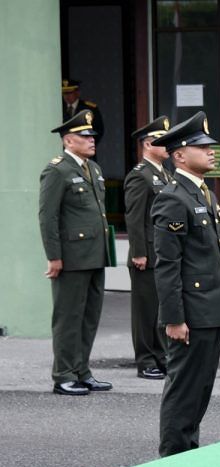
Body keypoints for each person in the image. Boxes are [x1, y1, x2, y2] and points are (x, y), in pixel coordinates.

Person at [150, 111, 220, 457]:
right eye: (202, 146)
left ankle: (188, 451)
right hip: (191, 313)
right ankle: (172, 457)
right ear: (180, 155)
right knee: (184, 388)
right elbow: (168, 265)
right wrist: (174, 318)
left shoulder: (203, 193)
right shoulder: (173, 197)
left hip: (211, 309)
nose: (211, 151)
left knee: (201, 388)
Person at [38, 109, 113, 396]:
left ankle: (82, 370)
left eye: (92, 135)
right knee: (68, 317)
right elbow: (48, 217)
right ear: (69, 140)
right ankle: (63, 374)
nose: (92, 140)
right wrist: (54, 255)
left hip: (94, 254)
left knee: (89, 316)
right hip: (71, 257)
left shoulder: (92, 168)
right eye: (85, 136)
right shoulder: (57, 170)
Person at [124, 116, 172, 380]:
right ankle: (145, 360)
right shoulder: (140, 176)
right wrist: (138, 252)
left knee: (160, 309)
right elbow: (134, 217)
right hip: (147, 254)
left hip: (162, 252)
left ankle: (161, 356)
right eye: (162, 142)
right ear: (148, 144)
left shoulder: (163, 174)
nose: (168, 147)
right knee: (145, 311)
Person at [61, 79, 105, 145]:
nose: (66, 96)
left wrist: (88, 144)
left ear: (77, 93)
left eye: (70, 93)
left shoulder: (89, 108)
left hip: (85, 149)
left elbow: (98, 130)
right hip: (66, 149)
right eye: (64, 93)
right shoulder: (60, 108)